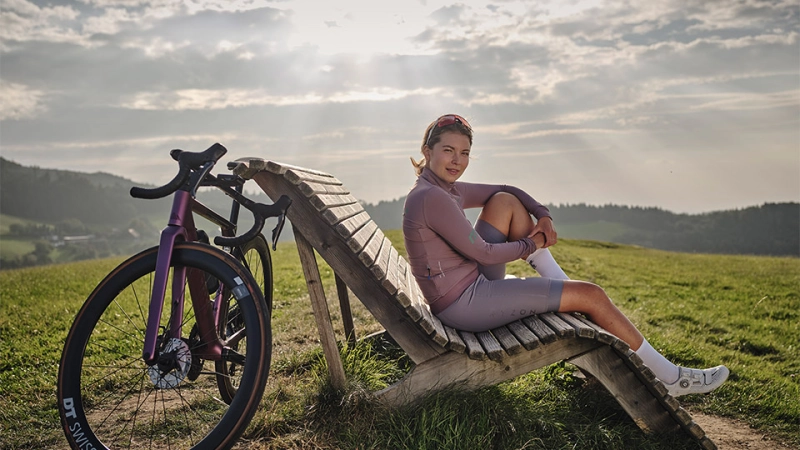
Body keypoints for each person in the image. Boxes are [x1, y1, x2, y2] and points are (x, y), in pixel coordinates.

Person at [402, 114, 729, 397]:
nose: (457, 160)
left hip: (469, 286)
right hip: (466, 304)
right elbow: (484, 253)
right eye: (448, 151)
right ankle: (671, 378)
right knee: (592, 295)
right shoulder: (433, 197)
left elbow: (507, 189)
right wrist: (533, 244)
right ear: (427, 152)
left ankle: (562, 286)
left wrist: (543, 217)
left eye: (464, 153)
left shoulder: (445, 188)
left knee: (503, 201)